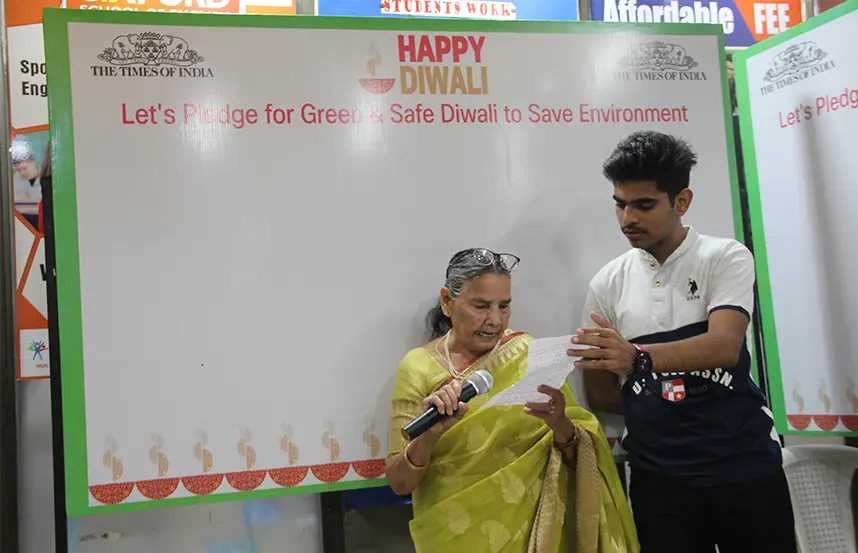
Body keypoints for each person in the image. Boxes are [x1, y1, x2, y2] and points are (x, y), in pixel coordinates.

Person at [576, 131, 797, 553]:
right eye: (620, 205)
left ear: (681, 202)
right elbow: (601, 390)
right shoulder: (607, 283)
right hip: (660, 482)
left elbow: (723, 347)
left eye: (643, 205)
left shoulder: (725, 257)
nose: (627, 219)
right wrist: (665, 401)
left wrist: (638, 360)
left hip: (745, 469)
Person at [385, 248, 638, 553]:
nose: (494, 320)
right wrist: (429, 436)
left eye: (504, 306)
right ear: (447, 301)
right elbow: (400, 483)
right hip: (453, 537)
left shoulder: (530, 356)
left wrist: (561, 426)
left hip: (533, 537)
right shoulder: (418, 367)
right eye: (481, 306)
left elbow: (578, 459)